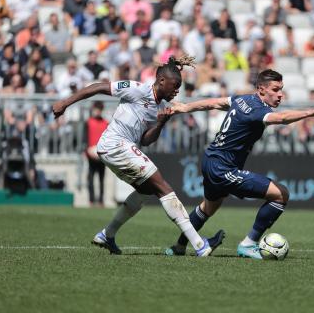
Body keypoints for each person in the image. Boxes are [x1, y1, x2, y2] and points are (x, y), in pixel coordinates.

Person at [51, 55, 224, 256]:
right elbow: (98, 86)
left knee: (145, 191)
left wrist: (160, 123)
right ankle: (199, 245)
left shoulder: (160, 108)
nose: (177, 91)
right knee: (163, 186)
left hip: (121, 148)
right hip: (114, 143)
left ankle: (108, 234)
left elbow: (146, 140)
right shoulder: (137, 89)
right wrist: (65, 102)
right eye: (175, 85)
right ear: (161, 81)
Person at [165, 69, 314, 259]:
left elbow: (214, 102)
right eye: (275, 90)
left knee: (208, 207)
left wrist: (186, 107)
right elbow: (283, 118)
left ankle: (179, 246)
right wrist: (309, 113)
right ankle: (248, 244)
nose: (280, 94)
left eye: (281, 89)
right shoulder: (258, 111)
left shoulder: (241, 99)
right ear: (261, 90)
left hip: (210, 160)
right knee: (281, 194)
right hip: (223, 169)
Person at [85, 101, 108, 207]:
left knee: (101, 179)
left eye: (99, 110)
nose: (97, 112)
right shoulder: (88, 122)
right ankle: (91, 200)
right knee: (90, 178)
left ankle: (101, 201)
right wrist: (87, 150)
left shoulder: (106, 123)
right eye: (96, 109)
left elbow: (108, 140)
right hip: (91, 154)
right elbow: (84, 138)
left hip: (102, 155)